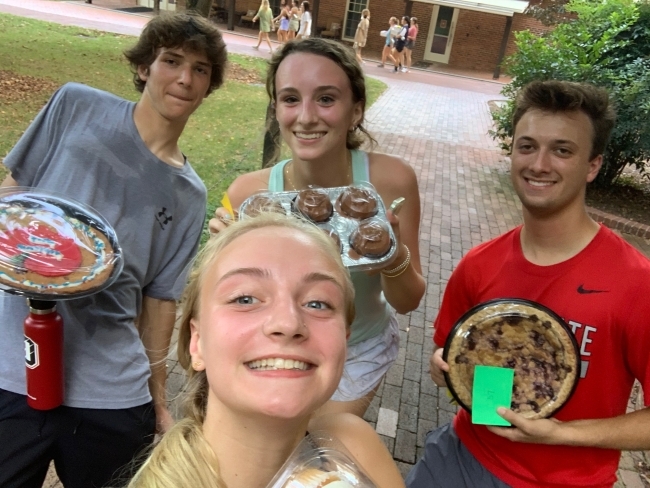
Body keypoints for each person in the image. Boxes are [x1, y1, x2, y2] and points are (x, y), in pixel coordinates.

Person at [0, 13, 227, 488]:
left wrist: (159, 400)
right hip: (12, 364)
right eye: (172, 61)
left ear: (209, 87)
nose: (185, 78)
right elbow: (11, 199)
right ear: (145, 67)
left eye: (201, 69)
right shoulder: (76, 105)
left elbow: (160, 300)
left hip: (108, 389)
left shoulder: (190, 193)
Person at [408, 80, 650, 488]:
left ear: (592, 165)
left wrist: (562, 434)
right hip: (459, 458)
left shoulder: (635, 283)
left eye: (562, 150)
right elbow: (449, 350)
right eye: (527, 146)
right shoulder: (479, 264)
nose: (538, 164)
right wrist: (443, 368)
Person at [209, 38, 425, 418]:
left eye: (326, 99)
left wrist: (392, 256)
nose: (306, 116)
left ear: (355, 110)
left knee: (321, 451)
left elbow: (408, 302)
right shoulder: (249, 193)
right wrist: (221, 255)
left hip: (357, 349)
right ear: (276, 108)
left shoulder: (390, 181)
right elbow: (225, 299)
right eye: (291, 99)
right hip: (276, 343)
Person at [128, 213, 406, 488]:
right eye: (245, 298)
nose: (288, 323)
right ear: (197, 342)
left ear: (343, 342)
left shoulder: (355, 447)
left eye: (318, 303)